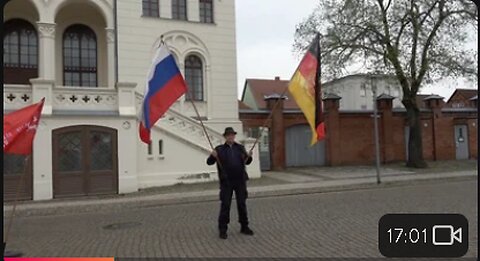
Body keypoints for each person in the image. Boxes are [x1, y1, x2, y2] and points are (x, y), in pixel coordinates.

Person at [206, 127, 254, 239]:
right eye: (228, 135)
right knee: (225, 205)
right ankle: (223, 229)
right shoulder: (219, 149)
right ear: (225, 137)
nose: (230, 137)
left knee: (242, 204)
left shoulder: (240, 148)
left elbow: (247, 162)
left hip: (240, 181)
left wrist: (249, 156)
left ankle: (244, 226)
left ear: (234, 136)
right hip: (226, 182)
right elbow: (209, 162)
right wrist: (212, 156)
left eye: (232, 135)